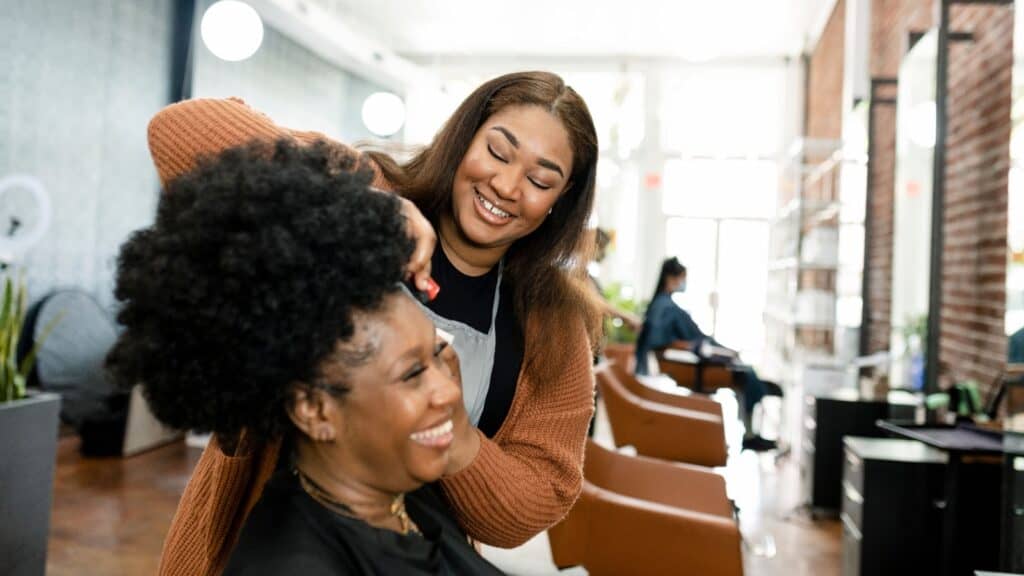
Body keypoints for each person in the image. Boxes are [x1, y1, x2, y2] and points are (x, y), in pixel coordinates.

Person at [145, 71, 603, 575]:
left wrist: (452, 434)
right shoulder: (366, 188)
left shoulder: (553, 321)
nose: (507, 185)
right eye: (497, 151)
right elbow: (178, 130)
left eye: (541, 180)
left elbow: (533, 503)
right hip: (271, 533)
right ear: (464, 138)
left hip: (416, 550)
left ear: (562, 199)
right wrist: (357, 209)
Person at [108, 141, 504, 574]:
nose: (449, 391)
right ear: (314, 409)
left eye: (437, 354)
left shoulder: (396, 494)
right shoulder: (295, 564)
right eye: (413, 374)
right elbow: (178, 129)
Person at [635, 257, 779, 451]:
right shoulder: (665, 306)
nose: (684, 283)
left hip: (697, 351)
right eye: (683, 278)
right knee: (746, 374)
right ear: (672, 277)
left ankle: (751, 426)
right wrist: (699, 348)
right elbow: (664, 342)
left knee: (744, 370)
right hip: (691, 363)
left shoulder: (664, 304)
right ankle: (751, 431)